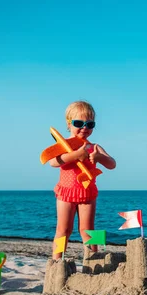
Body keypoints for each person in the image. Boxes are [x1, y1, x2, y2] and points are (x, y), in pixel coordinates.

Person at [49, 100, 116, 259]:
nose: (84, 127)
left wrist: (99, 157)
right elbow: (53, 162)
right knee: (63, 230)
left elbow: (112, 164)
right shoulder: (63, 145)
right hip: (66, 192)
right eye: (79, 123)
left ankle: (94, 258)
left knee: (89, 230)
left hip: (87, 193)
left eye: (90, 124)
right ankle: (56, 260)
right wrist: (75, 155)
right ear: (68, 124)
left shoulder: (94, 147)